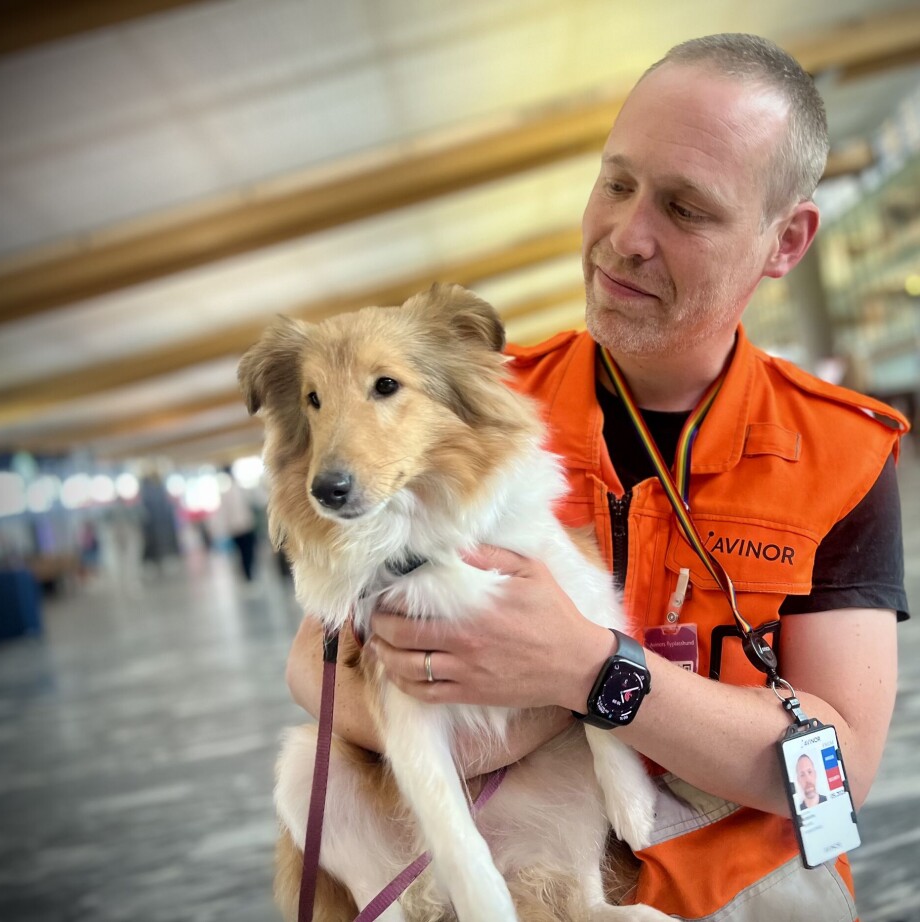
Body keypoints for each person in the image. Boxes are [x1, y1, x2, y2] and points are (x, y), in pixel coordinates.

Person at [286, 34, 910, 919]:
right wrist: (467, 735)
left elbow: (836, 770)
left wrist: (589, 671)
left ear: (787, 241)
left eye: (687, 209)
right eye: (616, 183)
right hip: (524, 877)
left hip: (747, 888)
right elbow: (312, 668)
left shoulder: (843, 450)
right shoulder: (465, 410)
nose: (626, 237)